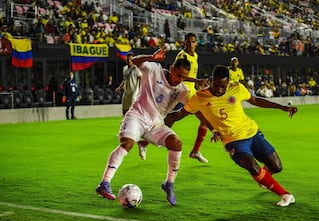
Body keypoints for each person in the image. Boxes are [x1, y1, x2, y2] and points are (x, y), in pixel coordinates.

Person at [165, 65, 298, 207]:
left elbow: (256, 100)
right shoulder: (200, 97)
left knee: (276, 167)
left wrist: (282, 107)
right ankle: (285, 195)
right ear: (211, 81)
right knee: (251, 165)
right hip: (233, 141)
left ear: (227, 82)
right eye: (216, 85)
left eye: (223, 86)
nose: (219, 90)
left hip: (252, 133)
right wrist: (159, 120)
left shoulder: (237, 88)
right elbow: (179, 115)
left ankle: (264, 178)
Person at [95, 47, 191, 206]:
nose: (180, 79)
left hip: (155, 125)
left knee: (177, 144)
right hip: (137, 116)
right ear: (172, 69)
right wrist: (152, 57)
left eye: (184, 77)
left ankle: (169, 183)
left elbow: (194, 107)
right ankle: (104, 183)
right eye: (178, 75)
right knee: (127, 144)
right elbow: (135, 62)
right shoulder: (154, 70)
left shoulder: (182, 90)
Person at [138, 32, 209, 163]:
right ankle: (145, 141)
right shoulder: (182, 55)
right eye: (188, 41)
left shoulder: (196, 56)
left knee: (200, 117)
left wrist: (197, 84)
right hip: (180, 90)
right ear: (185, 42)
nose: (191, 44)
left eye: (193, 42)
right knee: (169, 119)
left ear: (196, 43)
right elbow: (179, 73)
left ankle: (195, 151)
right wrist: (197, 80)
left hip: (191, 91)